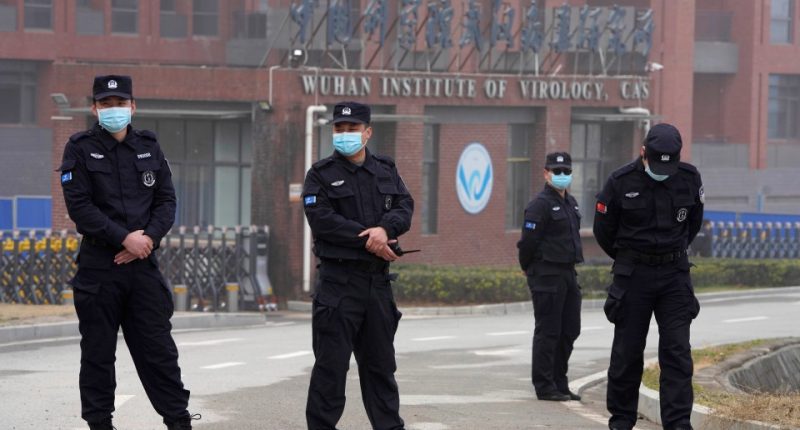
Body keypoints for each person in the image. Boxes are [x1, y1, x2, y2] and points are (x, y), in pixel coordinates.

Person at [58, 75, 197, 430]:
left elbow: (166, 200)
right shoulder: (79, 147)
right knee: (98, 355)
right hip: (99, 267)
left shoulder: (150, 146)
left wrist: (146, 240)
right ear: (95, 108)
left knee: (159, 352)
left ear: (133, 107)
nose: (113, 110)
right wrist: (125, 239)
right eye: (106, 104)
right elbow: (80, 208)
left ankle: (179, 422)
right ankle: (100, 424)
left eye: (120, 104)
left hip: (142, 267)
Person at [302, 101, 414, 430]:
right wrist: (369, 239)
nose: (345, 134)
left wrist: (386, 230)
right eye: (339, 129)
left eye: (352, 129)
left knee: (381, 370)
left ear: (368, 132)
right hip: (338, 286)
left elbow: (405, 205)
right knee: (330, 371)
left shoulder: (385, 169)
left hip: (377, 286)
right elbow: (322, 220)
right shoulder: (320, 175)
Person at [593, 123, 704, 430]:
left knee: (677, 352)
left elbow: (692, 224)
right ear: (643, 153)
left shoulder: (690, 178)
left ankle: (678, 424)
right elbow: (604, 231)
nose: (662, 171)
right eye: (656, 164)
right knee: (627, 352)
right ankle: (621, 421)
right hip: (634, 276)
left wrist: (670, 253)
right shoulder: (619, 181)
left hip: (674, 276)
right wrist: (631, 258)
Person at [517, 152, 583, 402]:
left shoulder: (571, 203)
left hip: (567, 272)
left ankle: (559, 381)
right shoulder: (539, 205)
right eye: (557, 171)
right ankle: (545, 385)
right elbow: (528, 242)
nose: (562, 175)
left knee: (570, 329)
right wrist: (527, 267)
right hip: (546, 274)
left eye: (566, 171)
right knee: (549, 331)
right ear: (546, 173)